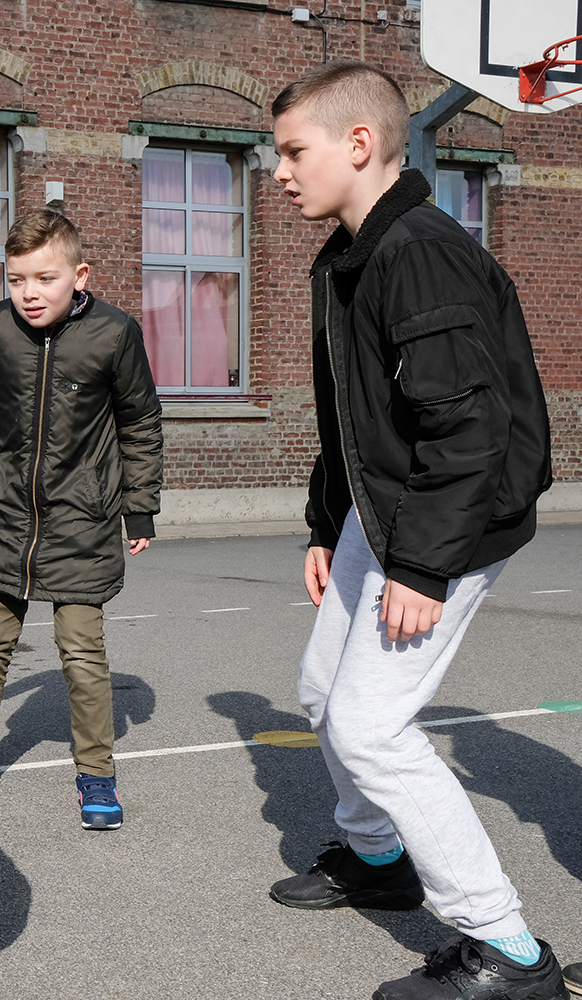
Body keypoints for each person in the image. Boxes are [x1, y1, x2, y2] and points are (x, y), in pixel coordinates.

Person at [267, 62, 566, 1000]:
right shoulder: (352, 256)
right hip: (385, 508)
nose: (279, 172)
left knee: (371, 726)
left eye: (292, 151)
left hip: (452, 521)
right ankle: (380, 857)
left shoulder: (418, 253)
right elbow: (360, 420)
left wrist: (424, 569)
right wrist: (329, 521)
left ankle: (507, 950)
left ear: (358, 146)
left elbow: (471, 430)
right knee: (322, 687)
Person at [0, 209, 163, 830]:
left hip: (82, 522)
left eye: (43, 279)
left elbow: (140, 425)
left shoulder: (114, 333)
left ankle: (97, 776)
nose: (28, 293)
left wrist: (140, 508)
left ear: (80, 276)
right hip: (5, 520)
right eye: (16, 279)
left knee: (81, 653)